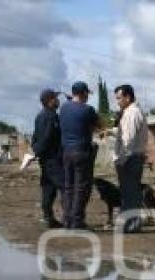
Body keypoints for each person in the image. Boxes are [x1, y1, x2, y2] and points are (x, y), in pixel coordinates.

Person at [58, 81, 99, 229]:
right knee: (81, 188)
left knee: (68, 187)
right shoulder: (88, 110)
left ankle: (67, 219)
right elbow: (98, 126)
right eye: (87, 93)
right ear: (83, 93)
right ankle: (77, 220)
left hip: (66, 152)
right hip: (82, 151)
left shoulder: (63, 109)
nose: (88, 96)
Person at [113, 84, 148, 234]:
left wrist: (121, 159)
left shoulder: (132, 113)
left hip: (130, 158)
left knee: (130, 193)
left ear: (128, 97)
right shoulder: (129, 112)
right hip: (131, 157)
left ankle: (132, 224)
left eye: (119, 98)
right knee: (129, 192)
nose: (118, 102)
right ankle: (129, 223)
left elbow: (129, 139)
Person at [31, 88, 63, 228]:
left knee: (48, 188)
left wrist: (35, 151)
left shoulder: (41, 116)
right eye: (55, 98)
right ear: (50, 101)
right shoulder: (49, 116)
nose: (58, 100)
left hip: (47, 159)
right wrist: (37, 152)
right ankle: (71, 219)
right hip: (53, 159)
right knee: (64, 187)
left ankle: (48, 218)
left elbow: (35, 137)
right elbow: (46, 138)